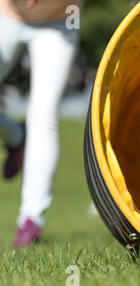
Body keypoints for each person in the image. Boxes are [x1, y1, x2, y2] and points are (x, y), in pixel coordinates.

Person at [0, 0, 81, 247]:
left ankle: (31, 219)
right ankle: (15, 136)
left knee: (43, 117)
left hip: (59, 23)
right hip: (7, 15)